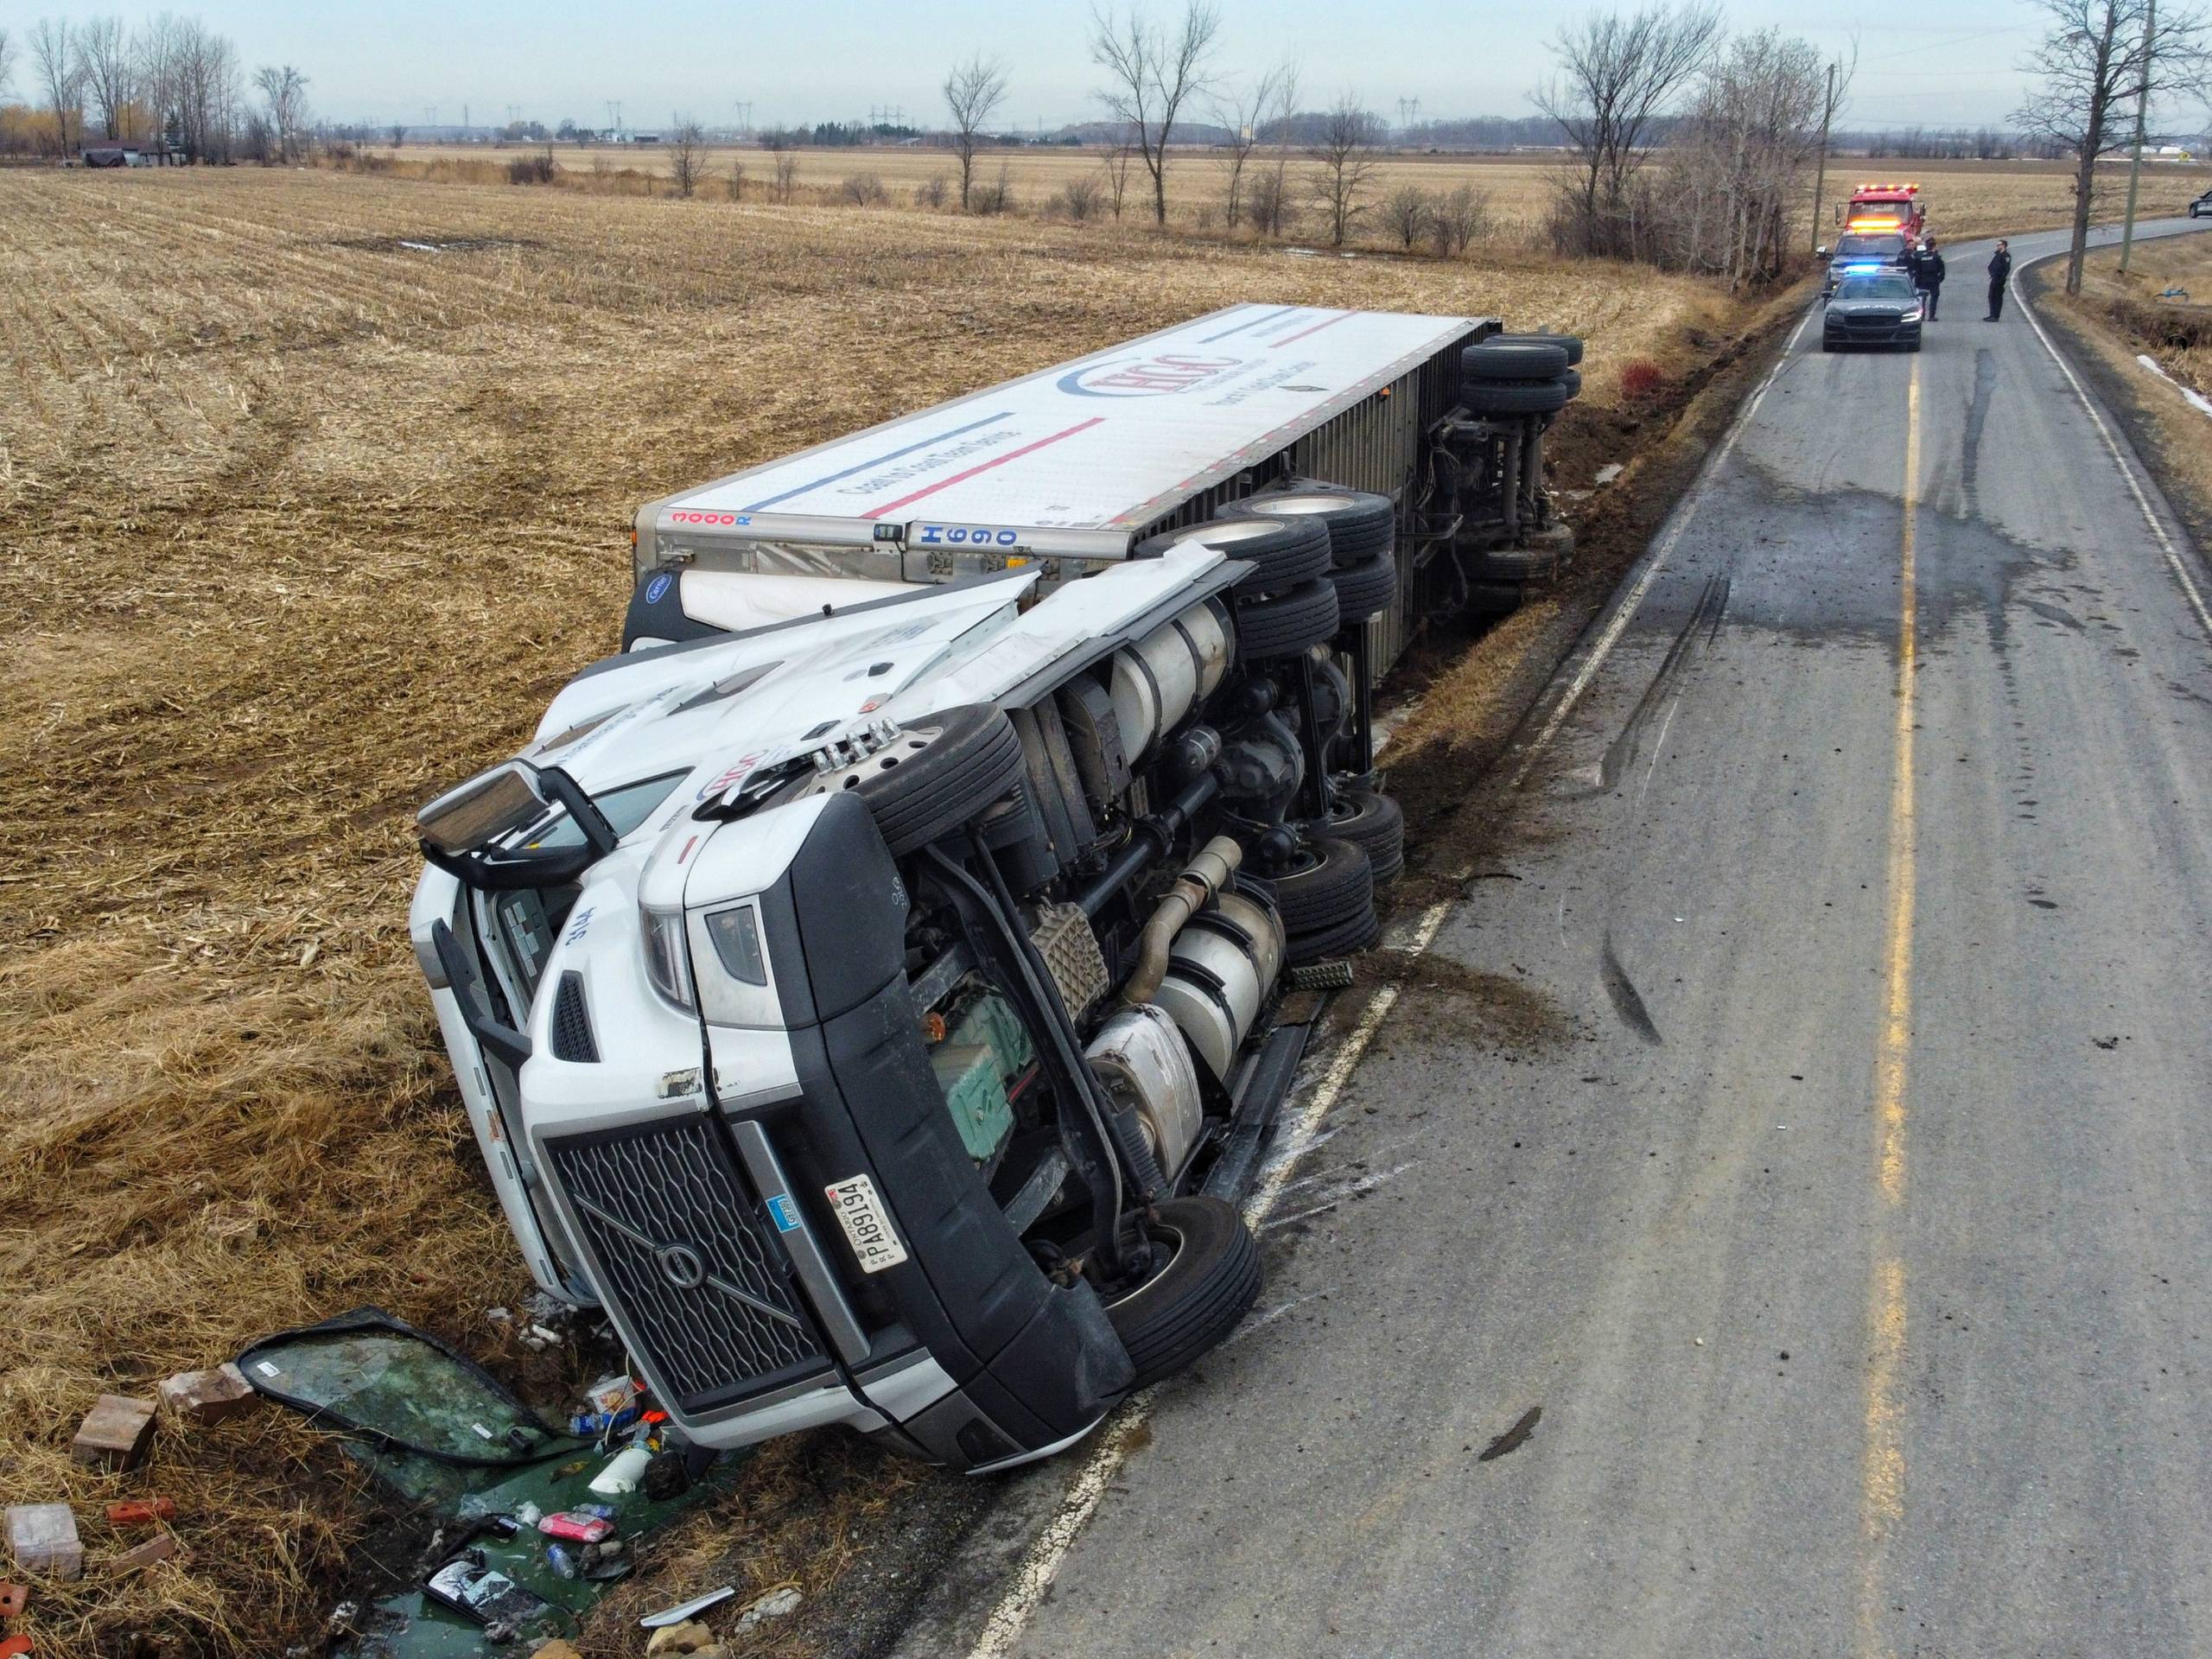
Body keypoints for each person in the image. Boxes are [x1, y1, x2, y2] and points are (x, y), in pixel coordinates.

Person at [1917, 238, 1946, 320]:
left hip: (1923, 280)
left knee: (1922, 298)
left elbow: (1918, 270)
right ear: (1934, 247)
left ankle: (1922, 316)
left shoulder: (1921, 257)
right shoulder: (1936, 257)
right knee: (1934, 297)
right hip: (1933, 280)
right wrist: (1940, 279)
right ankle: (1931, 316)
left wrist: (1918, 281)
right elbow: (1942, 270)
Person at [1986, 239, 2012, 321]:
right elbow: (1991, 266)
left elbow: (2006, 269)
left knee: (1997, 297)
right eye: (1997, 244)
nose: (1998, 246)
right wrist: (1992, 274)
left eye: (1999, 244)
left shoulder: (2006, 256)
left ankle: (1996, 316)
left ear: (2004, 245)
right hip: (1994, 278)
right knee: (1991, 296)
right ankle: (1992, 314)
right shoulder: (1997, 255)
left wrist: (2002, 278)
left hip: (2000, 279)